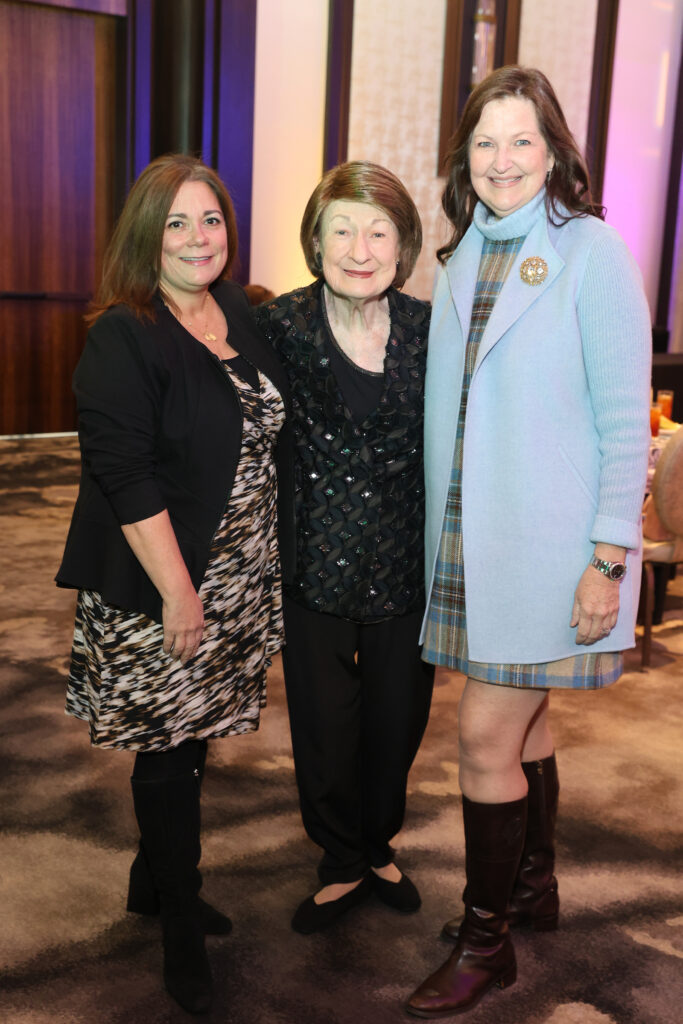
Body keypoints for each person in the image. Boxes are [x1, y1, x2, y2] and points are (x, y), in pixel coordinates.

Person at [405, 67, 651, 1018]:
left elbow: (624, 419)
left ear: (553, 150)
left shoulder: (589, 251)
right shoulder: (462, 255)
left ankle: (486, 943)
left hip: (551, 543)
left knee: (479, 736)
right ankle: (529, 890)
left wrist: (606, 556)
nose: (502, 160)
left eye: (521, 140)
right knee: (528, 723)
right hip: (472, 532)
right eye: (484, 143)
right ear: (463, 161)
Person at [56, 154, 292, 1014]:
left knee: (197, 735)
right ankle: (180, 921)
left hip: (239, 574)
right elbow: (124, 474)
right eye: (179, 223)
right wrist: (180, 592)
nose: (199, 238)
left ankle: (150, 880)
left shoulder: (240, 311)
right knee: (164, 744)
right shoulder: (123, 333)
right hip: (163, 580)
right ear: (145, 236)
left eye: (213, 220)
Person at [253, 161, 435, 934]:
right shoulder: (280, 326)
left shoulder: (432, 328)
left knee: (397, 722)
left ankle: (377, 843)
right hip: (311, 565)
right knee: (325, 727)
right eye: (342, 229)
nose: (359, 248)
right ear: (315, 240)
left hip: (403, 566)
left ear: (403, 245)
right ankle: (338, 858)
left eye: (378, 230)